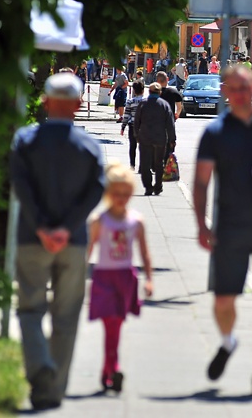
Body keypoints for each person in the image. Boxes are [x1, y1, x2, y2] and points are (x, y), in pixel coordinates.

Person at [9, 73, 106, 410]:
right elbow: (96, 190)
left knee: (30, 309)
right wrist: (66, 228)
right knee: (66, 316)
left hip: (30, 238)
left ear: (45, 102)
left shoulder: (25, 140)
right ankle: (52, 391)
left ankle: (40, 369)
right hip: (74, 241)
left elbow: (21, 186)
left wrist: (41, 227)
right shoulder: (89, 146)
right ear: (79, 105)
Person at [193, 65, 252, 396]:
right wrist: (201, 224)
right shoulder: (215, 132)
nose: (239, 94)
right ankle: (228, 341)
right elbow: (201, 182)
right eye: (233, 88)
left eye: (245, 87)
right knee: (223, 300)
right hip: (230, 226)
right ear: (224, 91)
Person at [86, 164, 153, 393]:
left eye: (126, 194)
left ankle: (108, 371)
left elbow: (144, 253)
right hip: (104, 277)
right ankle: (113, 368)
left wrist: (149, 279)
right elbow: (88, 249)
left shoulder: (136, 221)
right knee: (110, 324)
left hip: (125, 278)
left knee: (116, 325)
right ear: (108, 194)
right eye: (116, 194)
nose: (121, 199)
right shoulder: (99, 220)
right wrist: (78, 276)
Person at [134, 83, 176, 196]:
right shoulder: (164, 105)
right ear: (160, 93)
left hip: (145, 138)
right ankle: (158, 187)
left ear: (149, 92)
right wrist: (172, 139)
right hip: (160, 138)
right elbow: (170, 124)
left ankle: (148, 187)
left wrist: (136, 135)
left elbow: (136, 121)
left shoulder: (143, 104)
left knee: (145, 163)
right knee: (159, 163)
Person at [120, 80, 146, 170]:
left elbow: (126, 115)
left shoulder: (130, 102)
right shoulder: (146, 101)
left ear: (134, 90)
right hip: (144, 126)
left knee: (132, 146)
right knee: (143, 147)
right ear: (143, 90)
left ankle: (132, 165)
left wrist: (123, 127)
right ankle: (142, 166)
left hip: (133, 125)